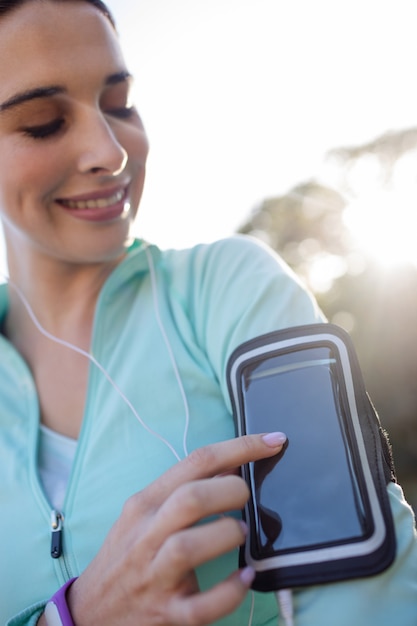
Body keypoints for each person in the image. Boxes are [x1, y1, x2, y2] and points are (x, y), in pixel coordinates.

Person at [0, 1, 415, 625]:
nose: (110, 152)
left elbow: (365, 580)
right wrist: (75, 616)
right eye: (42, 123)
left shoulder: (229, 287)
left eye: (119, 104)